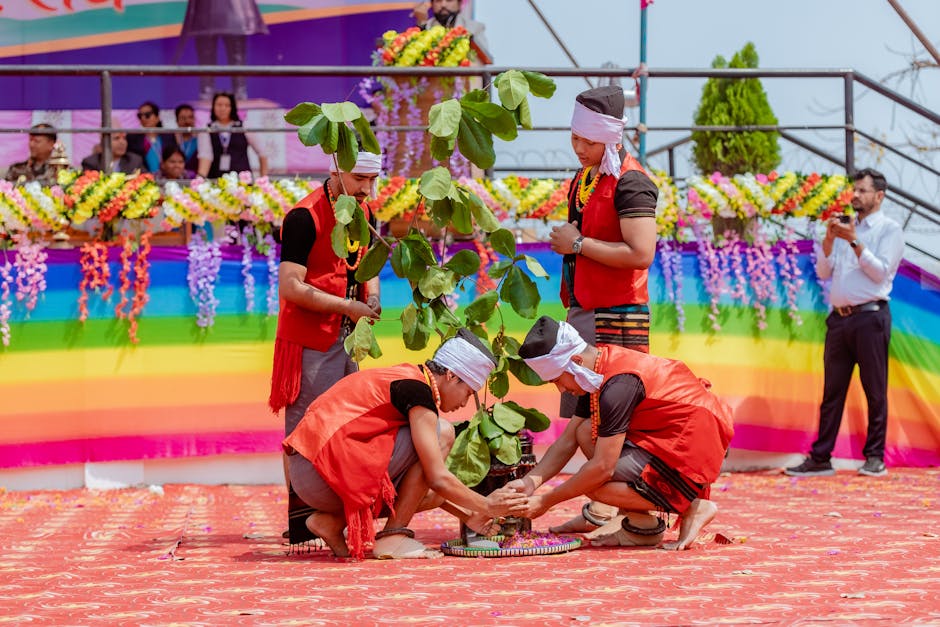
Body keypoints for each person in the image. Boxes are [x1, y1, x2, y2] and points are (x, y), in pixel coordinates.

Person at [283, 329, 528, 560]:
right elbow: (437, 477)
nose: (465, 403)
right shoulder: (418, 391)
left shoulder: (406, 376)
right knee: (442, 433)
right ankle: (393, 537)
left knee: (431, 494)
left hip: (308, 475)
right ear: (451, 376)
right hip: (321, 471)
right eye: (468, 392)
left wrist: (469, 514)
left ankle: (331, 523)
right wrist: (487, 505)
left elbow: (426, 488)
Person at [510, 316, 734, 551]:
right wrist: (529, 483)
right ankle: (641, 525)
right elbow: (567, 441)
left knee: (591, 483)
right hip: (669, 433)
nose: (561, 389)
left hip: (693, 440)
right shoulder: (594, 369)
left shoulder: (617, 386)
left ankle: (692, 506)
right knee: (585, 431)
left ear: (575, 361)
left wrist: (546, 501)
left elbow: (602, 468)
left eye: (557, 380)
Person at [548, 85, 659, 534]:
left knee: (608, 421)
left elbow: (641, 253)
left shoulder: (631, 181)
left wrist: (578, 244)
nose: (579, 147)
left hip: (617, 314)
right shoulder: (586, 177)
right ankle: (601, 509)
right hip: (584, 308)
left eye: (588, 141)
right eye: (574, 137)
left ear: (611, 138)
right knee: (582, 416)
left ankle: (634, 512)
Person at [270, 150, 383, 544]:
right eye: (359, 179)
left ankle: (331, 515)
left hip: (349, 335)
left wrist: (372, 297)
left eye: (372, 180)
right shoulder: (304, 217)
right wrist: (346, 306)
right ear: (336, 170)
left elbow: (369, 266)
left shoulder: (364, 212)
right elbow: (290, 287)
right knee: (305, 429)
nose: (366, 188)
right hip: (311, 337)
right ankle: (302, 525)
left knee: (346, 425)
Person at [785, 168, 904, 478]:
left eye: (863, 190)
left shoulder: (889, 230)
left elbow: (881, 273)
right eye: (855, 190)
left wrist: (854, 242)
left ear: (879, 196)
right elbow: (824, 273)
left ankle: (874, 458)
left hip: (871, 317)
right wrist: (829, 240)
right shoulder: (844, 228)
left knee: (874, 390)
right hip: (839, 320)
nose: (856, 195)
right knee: (832, 392)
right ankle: (821, 457)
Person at [179, 0, 268, 100]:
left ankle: (237, 92)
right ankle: (209, 91)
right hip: (208, 12)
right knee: (209, 53)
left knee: (235, 53)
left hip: (234, 13)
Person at [196, 92, 268, 178]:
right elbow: (205, 156)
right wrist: (200, 180)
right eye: (219, 105)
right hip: (216, 179)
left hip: (242, 180)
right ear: (213, 107)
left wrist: (264, 178)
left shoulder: (244, 126)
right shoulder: (207, 129)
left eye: (227, 105)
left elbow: (262, 152)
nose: (222, 108)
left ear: (232, 108)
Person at [412, 0, 490, 55]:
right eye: (438, 1)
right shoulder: (424, 27)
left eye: (449, 0)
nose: (443, 5)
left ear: (459, 4)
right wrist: (422, 24)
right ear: (432, 4)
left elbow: (482, 60)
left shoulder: (475, 28)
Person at [126, 101, 168, 173]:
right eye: (140, 116)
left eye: (147, 115)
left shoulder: (168, 137)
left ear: (157, 117)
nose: (143, 118)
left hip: (166, 177)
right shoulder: (132, 138)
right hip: (143, 176)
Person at [173, 104, 200, 174]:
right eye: (183, 118)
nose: (187, 121)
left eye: (190, 117)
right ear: (177, 121)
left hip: (196, 178)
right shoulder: (170, 139)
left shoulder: (201, 139)